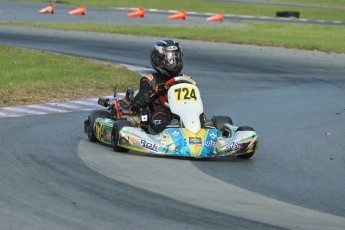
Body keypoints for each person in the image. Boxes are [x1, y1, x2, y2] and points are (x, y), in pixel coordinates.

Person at [133, 39, 185, 133]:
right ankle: (167, 131)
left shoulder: (185, 79)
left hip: (184, 112)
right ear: (158, 60)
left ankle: (206, 128)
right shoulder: (150, 80)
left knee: (199, 114)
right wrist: (155, 93)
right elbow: (137, 102)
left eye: (177, 58)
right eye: (170, 59)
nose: (174, 63)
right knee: (162, 112)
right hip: (160, 113)